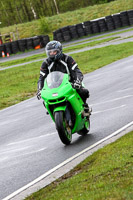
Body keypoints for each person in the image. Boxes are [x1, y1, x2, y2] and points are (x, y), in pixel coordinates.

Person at [37, 40, 90, 112]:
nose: (52, 54)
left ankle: (85, 106)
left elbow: (77, 71)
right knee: (45, 100)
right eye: (50, 52)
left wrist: (78, 81)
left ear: (59, 51)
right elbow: (41, 78)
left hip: (70, 83)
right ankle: (52, 111)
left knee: (83, 92)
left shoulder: (67, 59)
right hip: (53, 86)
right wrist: (39, 89)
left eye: (54, 52)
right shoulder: (46, 63)